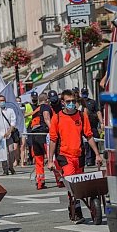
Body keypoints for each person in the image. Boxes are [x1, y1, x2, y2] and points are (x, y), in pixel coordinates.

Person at [47, 89, 103, 223]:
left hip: (79, 155)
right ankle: (76, 210)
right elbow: (53, 140)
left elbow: (89, 136)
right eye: (68, 101)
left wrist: (97, 154)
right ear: (63, 102)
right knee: (72, 184)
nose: (71, 104)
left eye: (73, 101)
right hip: (64, 156)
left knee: (79, 185)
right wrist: (50, 160)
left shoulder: (82, 116)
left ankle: (77, 207)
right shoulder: (57, 118)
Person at [29, 92, 53, 190]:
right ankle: (60, 180)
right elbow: (47, 118)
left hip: (34, 136)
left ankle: (40, 182)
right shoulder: (46, 107)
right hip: (44, 135)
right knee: (52, 157)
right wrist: (53, 131)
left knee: (39, 160)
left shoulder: (36, 110)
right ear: (47, 100)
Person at [80, 88, 103, 167]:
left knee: (95, 142)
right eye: (83, 93)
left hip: (93, 126)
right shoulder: (80, 103)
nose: (85, 95)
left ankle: (95, 159)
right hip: (84, 126)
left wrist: (101, 123)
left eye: (85, 93)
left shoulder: (92, 102)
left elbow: (98, 112)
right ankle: (88, 160)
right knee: (86, 144)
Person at [0, 94, 18, 175]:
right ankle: (5, 169)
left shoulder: (10, 110)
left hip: (9, 135)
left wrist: (9, 131)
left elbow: (13, 122)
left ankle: (10, 166)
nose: (2, 102)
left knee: (11, 151)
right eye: (0, 101)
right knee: (3, 153)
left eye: (3, 100)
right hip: (0, 136)